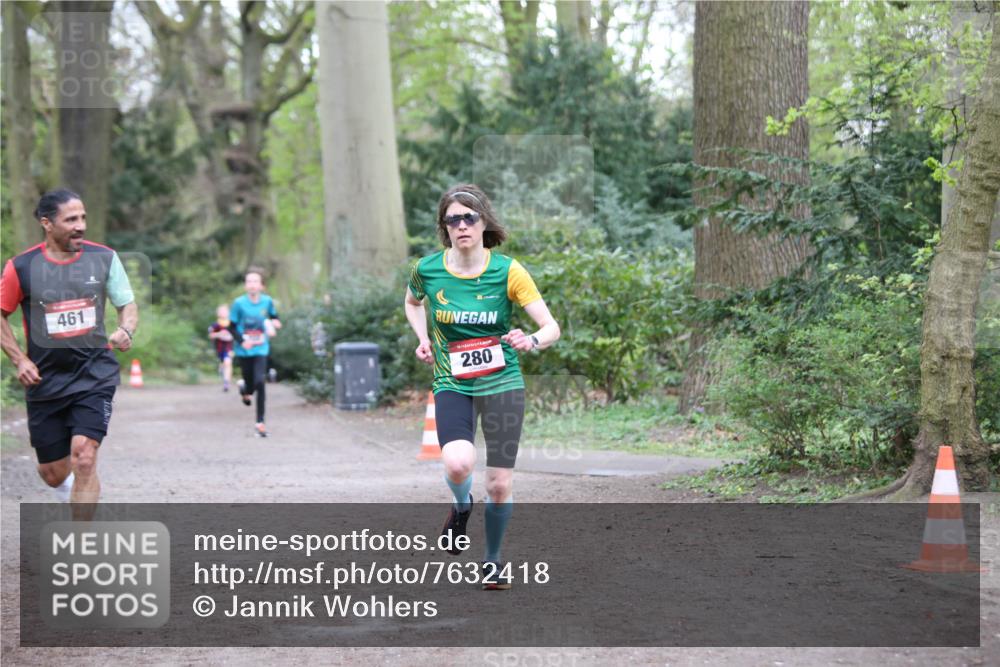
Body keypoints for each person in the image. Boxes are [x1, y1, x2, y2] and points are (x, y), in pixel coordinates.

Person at [404, 184, 560, 590]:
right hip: (452, 381)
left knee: (499, 483)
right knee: (458, 464)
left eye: (469, 217)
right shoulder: (427, 270)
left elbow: (551, 327)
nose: (462, 225)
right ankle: (461, 506)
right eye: (452, 219)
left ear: (484, 221)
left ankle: (492, 561)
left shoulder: (508, 271)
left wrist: (532, 340)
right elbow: (413, 302)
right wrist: (422, 337)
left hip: (502, 382)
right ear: (444, 227)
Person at [0, 189, 138, 519]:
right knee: (53, 473)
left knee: (84, 456)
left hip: (94, 374)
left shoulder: (104, 258)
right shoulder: (21, 267)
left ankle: (81, 540)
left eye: (83, 218)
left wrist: (126, 329)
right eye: (71, 219)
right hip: (45, 380)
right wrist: (20, 359)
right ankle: (74, 492)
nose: (81, 226)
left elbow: (127, 304)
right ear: (47, 223)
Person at [229, 268, 280, 437]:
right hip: (244, 350)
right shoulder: (239, 303)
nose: (252, 284)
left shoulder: (267, 301)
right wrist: (242, 341)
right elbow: (231, 327)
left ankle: (260, 422)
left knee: (260, 382)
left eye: (255, 281)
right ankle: (245, 390)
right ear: (245, 286)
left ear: (262, 286)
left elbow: (274, 316)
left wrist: (275, 323)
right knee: (250, 383)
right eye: (249, 281)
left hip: (261, 349)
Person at [208, 304, 234, 391]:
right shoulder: (215, 325)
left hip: (229, 347)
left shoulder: (232, 324)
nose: (223, 313)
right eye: (221, 311)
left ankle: (227, 382)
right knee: (224, 363)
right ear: (218, 313)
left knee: (228, 362)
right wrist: (219, 334)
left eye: (225, 311)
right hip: (220, 348)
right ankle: (223, 372)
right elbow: (211, 335)